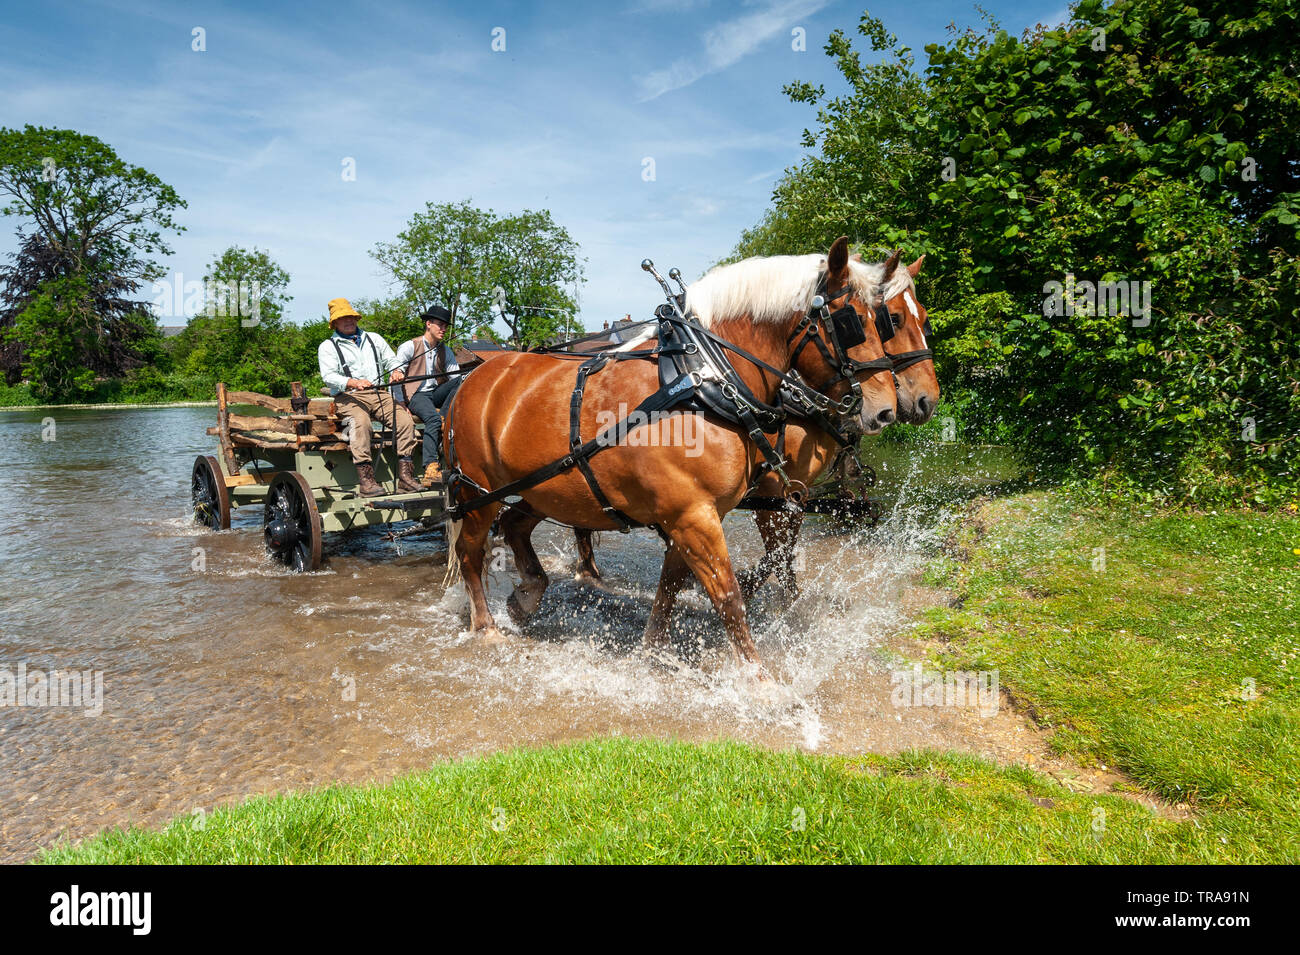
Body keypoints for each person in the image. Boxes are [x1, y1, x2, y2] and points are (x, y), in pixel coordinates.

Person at [317, 297, 421, 496]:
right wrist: (354, 382)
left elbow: (391, 359)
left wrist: (396, 371)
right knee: (360, 423)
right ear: (335, 323)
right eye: (343, 318)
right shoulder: (328, 346)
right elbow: (328, 376)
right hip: (347, 396)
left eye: (351, 317)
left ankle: (406, 479)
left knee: (406, 421)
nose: (349, 321)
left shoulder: (373, 338)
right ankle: (367, 482)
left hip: (378, 394)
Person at [390, 304, 460, 487]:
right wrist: (400, 402)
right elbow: (395, 375)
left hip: (435, 393)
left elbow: (455, 377)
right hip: (415, 394)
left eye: (446, 326)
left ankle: (444, 417)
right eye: (440, 325)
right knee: (434, 420)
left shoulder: (446, 350)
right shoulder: (409, 347)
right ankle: (430, 467)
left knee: (462, 381)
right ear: (428, 324)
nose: (443, 329)